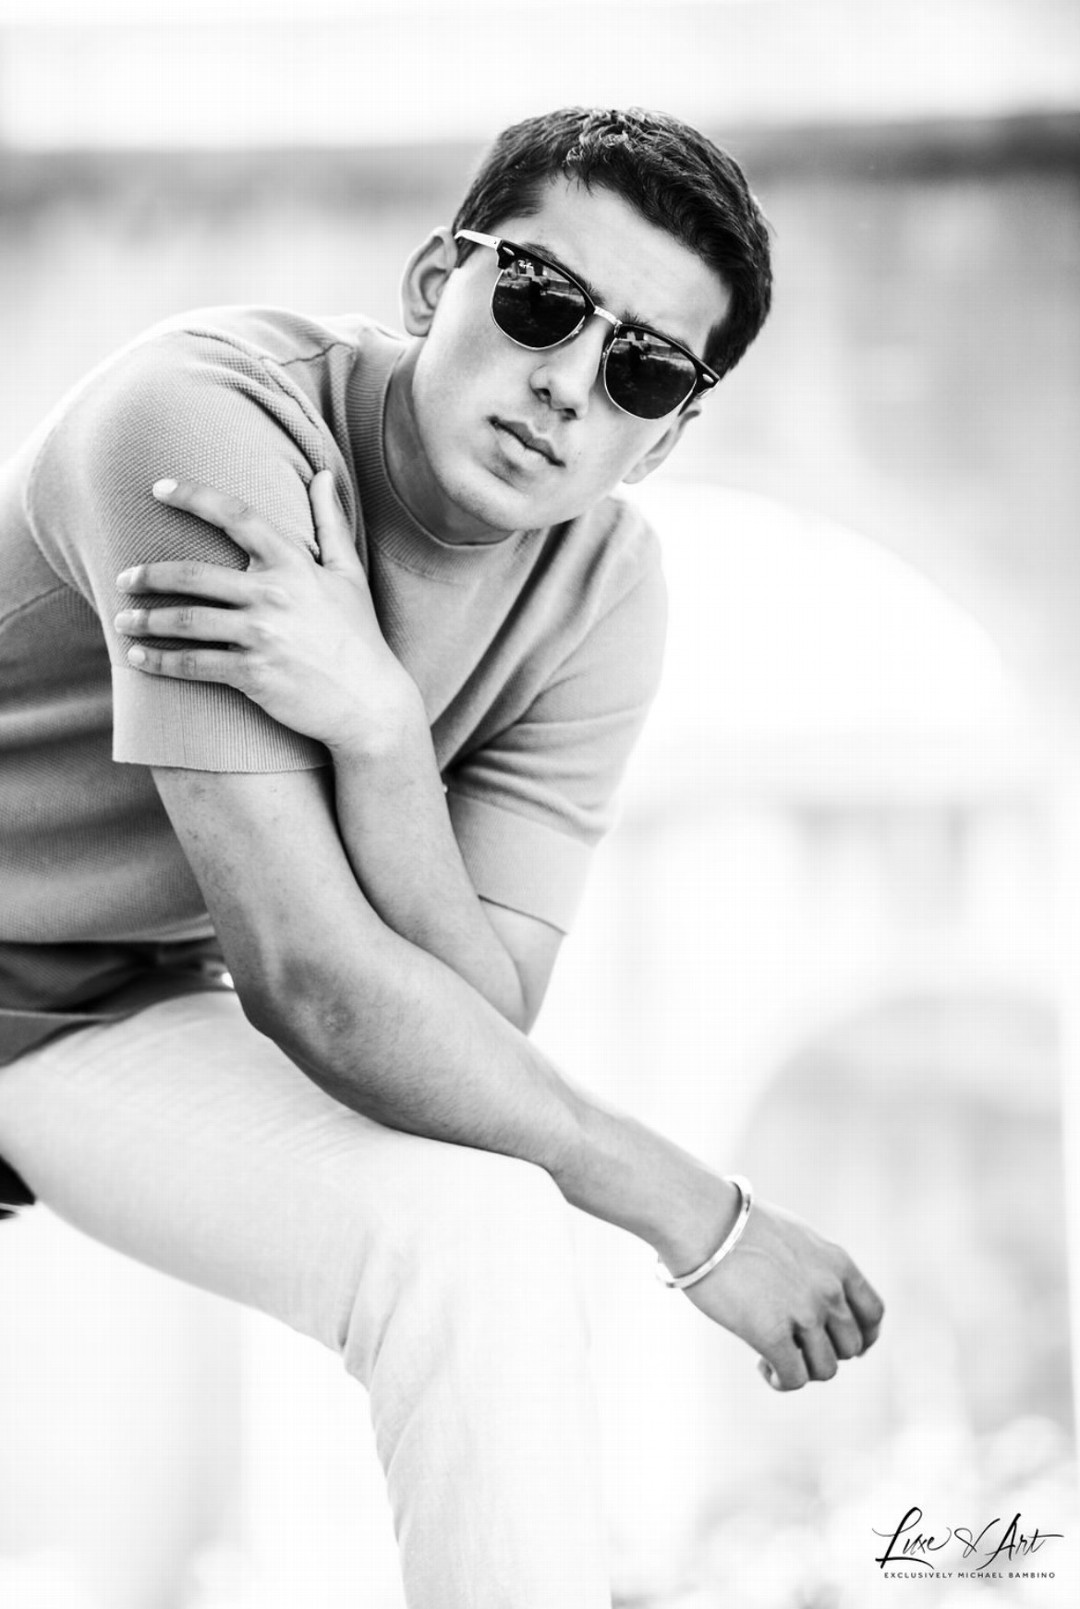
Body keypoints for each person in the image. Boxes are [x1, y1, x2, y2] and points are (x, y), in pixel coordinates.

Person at [0, 107, 883, 1605]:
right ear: (435, 283)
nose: (567, 382)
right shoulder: (205, 430)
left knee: (478, 1223)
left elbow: (477, 1028)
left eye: (642, 369)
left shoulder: (603, 592)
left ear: (667, 433)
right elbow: (315, 988)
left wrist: (386, 732)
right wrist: (698, 1217)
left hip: (104, 1010)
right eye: (541, 300)